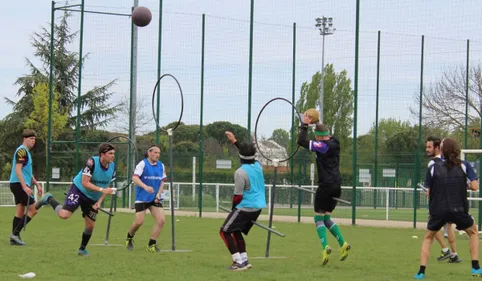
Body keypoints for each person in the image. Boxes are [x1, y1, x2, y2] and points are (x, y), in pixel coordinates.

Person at [414, 138, 481, 279]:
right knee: (474, 232)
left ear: (442, 151)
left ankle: (421, 272)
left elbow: (428, 192)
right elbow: (475, 187)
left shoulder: (432, 167)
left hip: (438, 210)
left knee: (428, 238)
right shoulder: (464, 165)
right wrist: (465, 184)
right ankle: (475, 267)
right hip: (458, 209)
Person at [36, 143, 117, 256]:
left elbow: (107, 187)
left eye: (114, 153)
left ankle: (82, 249)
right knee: (64, 215)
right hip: (78, 189)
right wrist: (101, 189)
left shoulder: (113, 166)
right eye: (110, 153)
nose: (113, 156)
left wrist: (99, 202)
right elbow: (85, 183)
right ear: (102, 154)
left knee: (90, 226)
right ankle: (49, 198)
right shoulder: (91, 162)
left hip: (93, 197)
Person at [297, 115, 350, 265]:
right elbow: (324, 134)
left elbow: (301, 141)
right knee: (326, 218)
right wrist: (318, 122)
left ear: (318, 137)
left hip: (325, 186)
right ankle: (343, 244)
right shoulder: (335, 142)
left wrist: (305, 125)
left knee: (318, 218)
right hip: (337, 186)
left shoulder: (321, 146)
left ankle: (325, 247)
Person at [220, 131, 266, 271]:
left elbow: (238, 196)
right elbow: (247, 155)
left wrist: (234, 209)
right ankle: (245, 260)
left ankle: (238, 262)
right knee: (236, 230)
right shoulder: (258, 165)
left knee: (224, 231)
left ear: (240, 157)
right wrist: (235, 141)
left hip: (245, 207)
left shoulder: (240, 172)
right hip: (258, 208)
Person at [425, 136, 461, 263]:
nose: (427, 150)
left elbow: (431, 187)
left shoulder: (433, 163)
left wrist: (429, 191)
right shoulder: (448, 161)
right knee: (448, 226)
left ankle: (446, 250)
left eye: (429, 147)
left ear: (437, 148)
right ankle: (454, 254)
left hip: (439, 202)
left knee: (432, 226)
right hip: (451, 200)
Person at [125, 145, 167, 253]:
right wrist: (145, 187)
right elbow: (134, 178)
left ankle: (151, 245)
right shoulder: (143, 164)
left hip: (154, 198)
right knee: (139, 222)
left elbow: (163, 180)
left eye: (159, 153)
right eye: (155, 152)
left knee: (161, 220)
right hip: (142, 197)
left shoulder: (161, 165)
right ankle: (129, 237)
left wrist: (158, 193)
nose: (157, 155)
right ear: (149, 153)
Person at [9, 129, 43, 245]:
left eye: (34, 139)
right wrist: (24, 186)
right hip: (19, 184)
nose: (33, 141)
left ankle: (14, 239)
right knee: (33, 210)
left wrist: (36, 183)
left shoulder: (26, 152)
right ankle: (14, 234)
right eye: (31, 139)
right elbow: (18, 170)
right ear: (25, 139)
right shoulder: (22, 151)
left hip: (17, 184)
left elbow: (26, 171)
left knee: (19, 211)